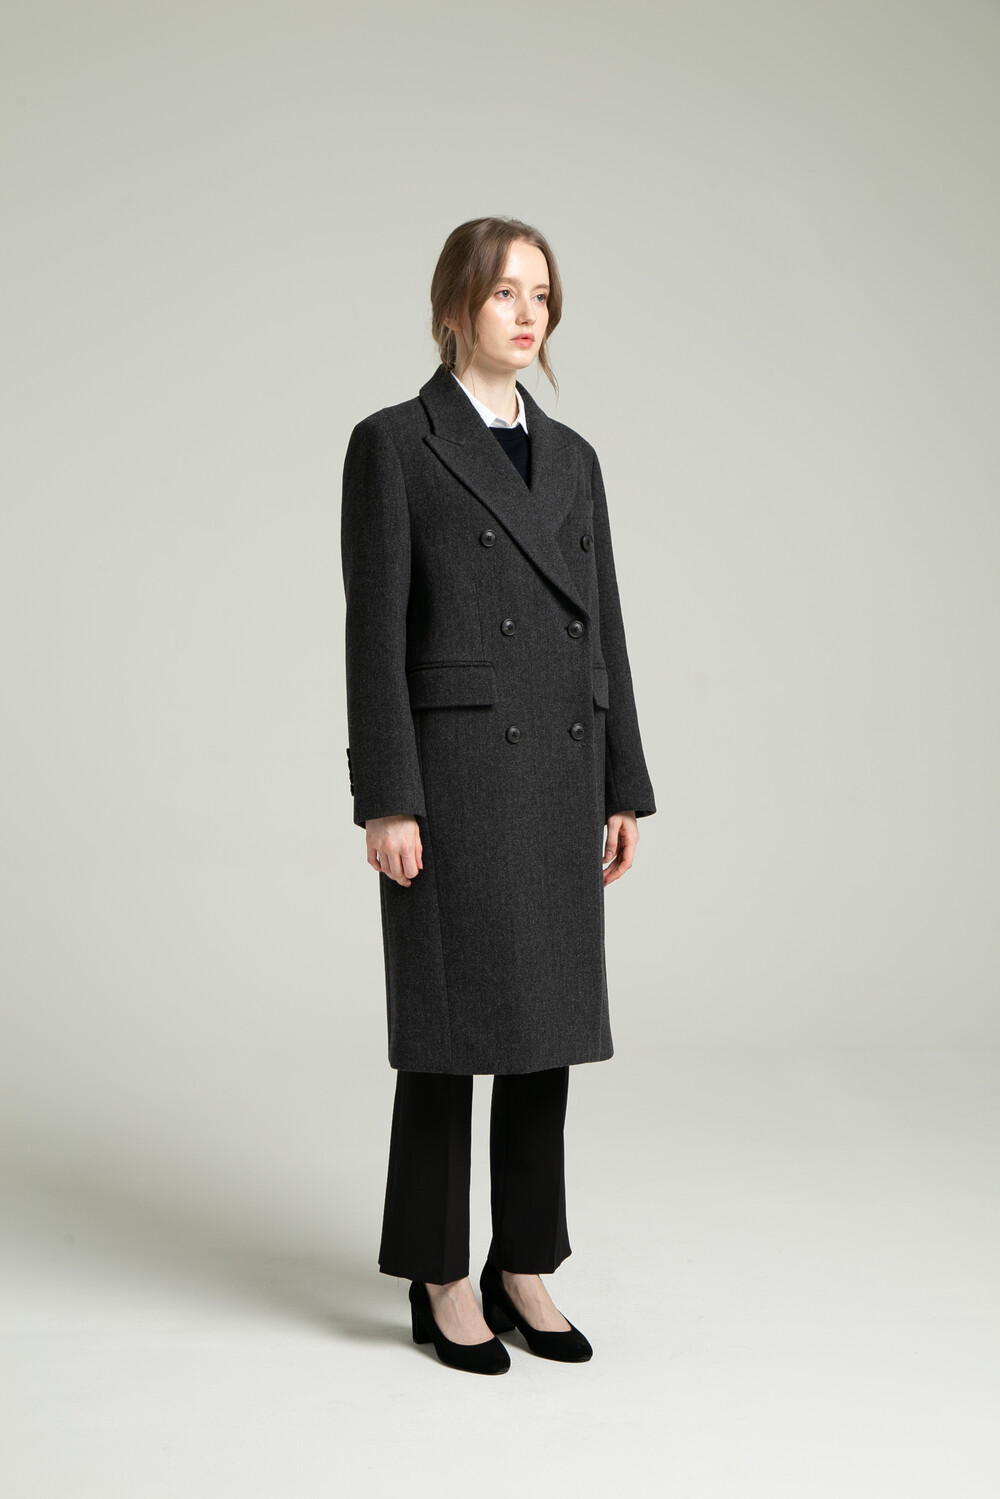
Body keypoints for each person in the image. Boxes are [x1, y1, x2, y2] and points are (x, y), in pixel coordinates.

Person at [340, 217, 656, 1375]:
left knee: (542, 1032)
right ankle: (438, 1272)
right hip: (455, 777)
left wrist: (622, 783)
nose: (528, 314)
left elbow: (601, 628)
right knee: (446, 1033)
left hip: (560, 769)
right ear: (454, 306)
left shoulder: (574, 458)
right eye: (505, 292)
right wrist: (388, 797)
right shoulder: (396, 443)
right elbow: (373, 637)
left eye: (542, 294)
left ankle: (524, 1263)